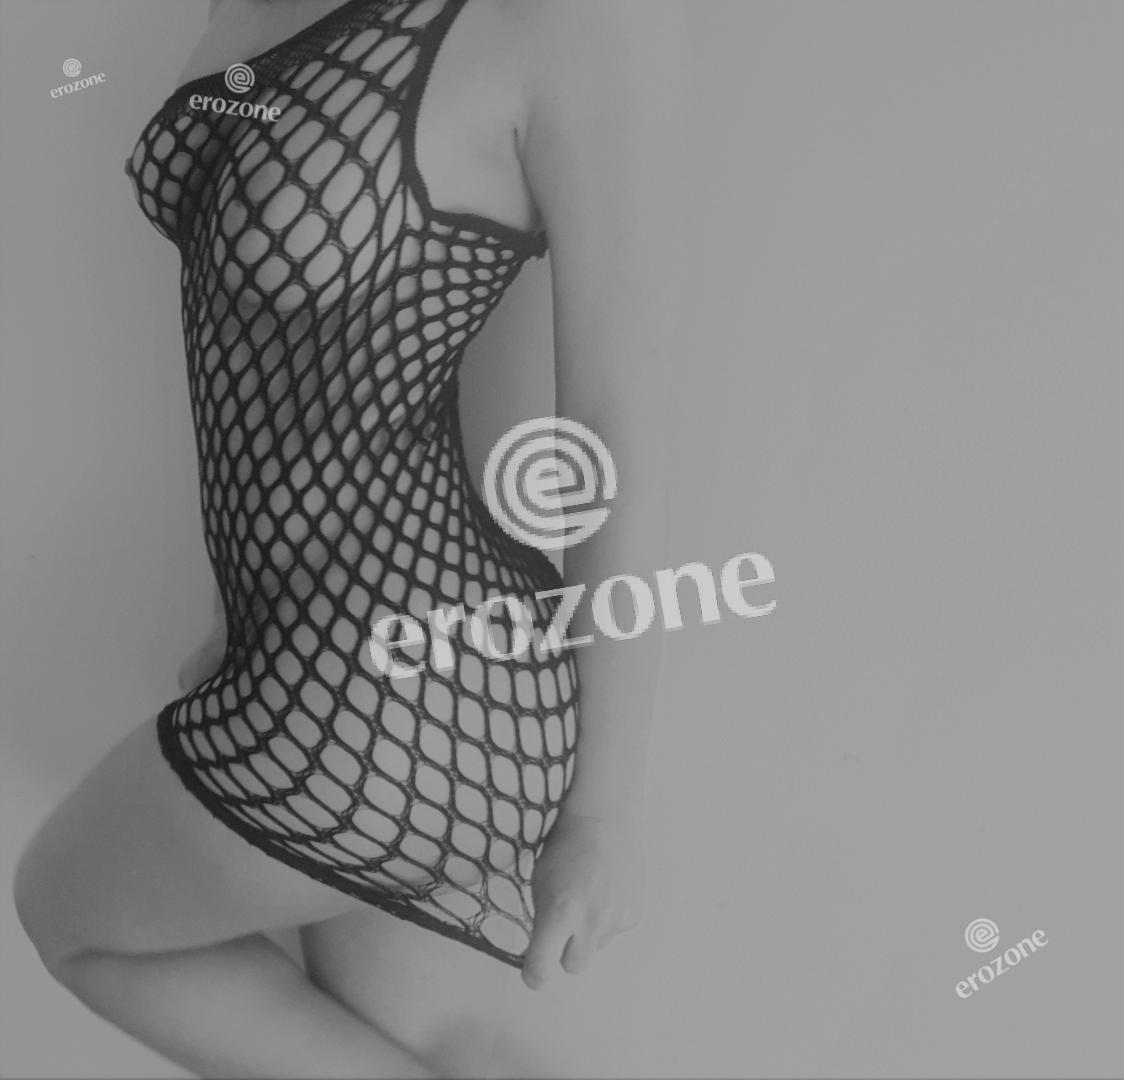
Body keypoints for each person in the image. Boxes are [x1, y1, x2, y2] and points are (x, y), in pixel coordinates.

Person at [13, 0, 686, 1075]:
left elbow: (612, 424)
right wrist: (236, 617)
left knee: (66, 913)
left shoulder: (558, 25)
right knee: (397, 1047)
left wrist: (604, 812)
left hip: (393, 682)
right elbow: (266, 361)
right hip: (336, 671)